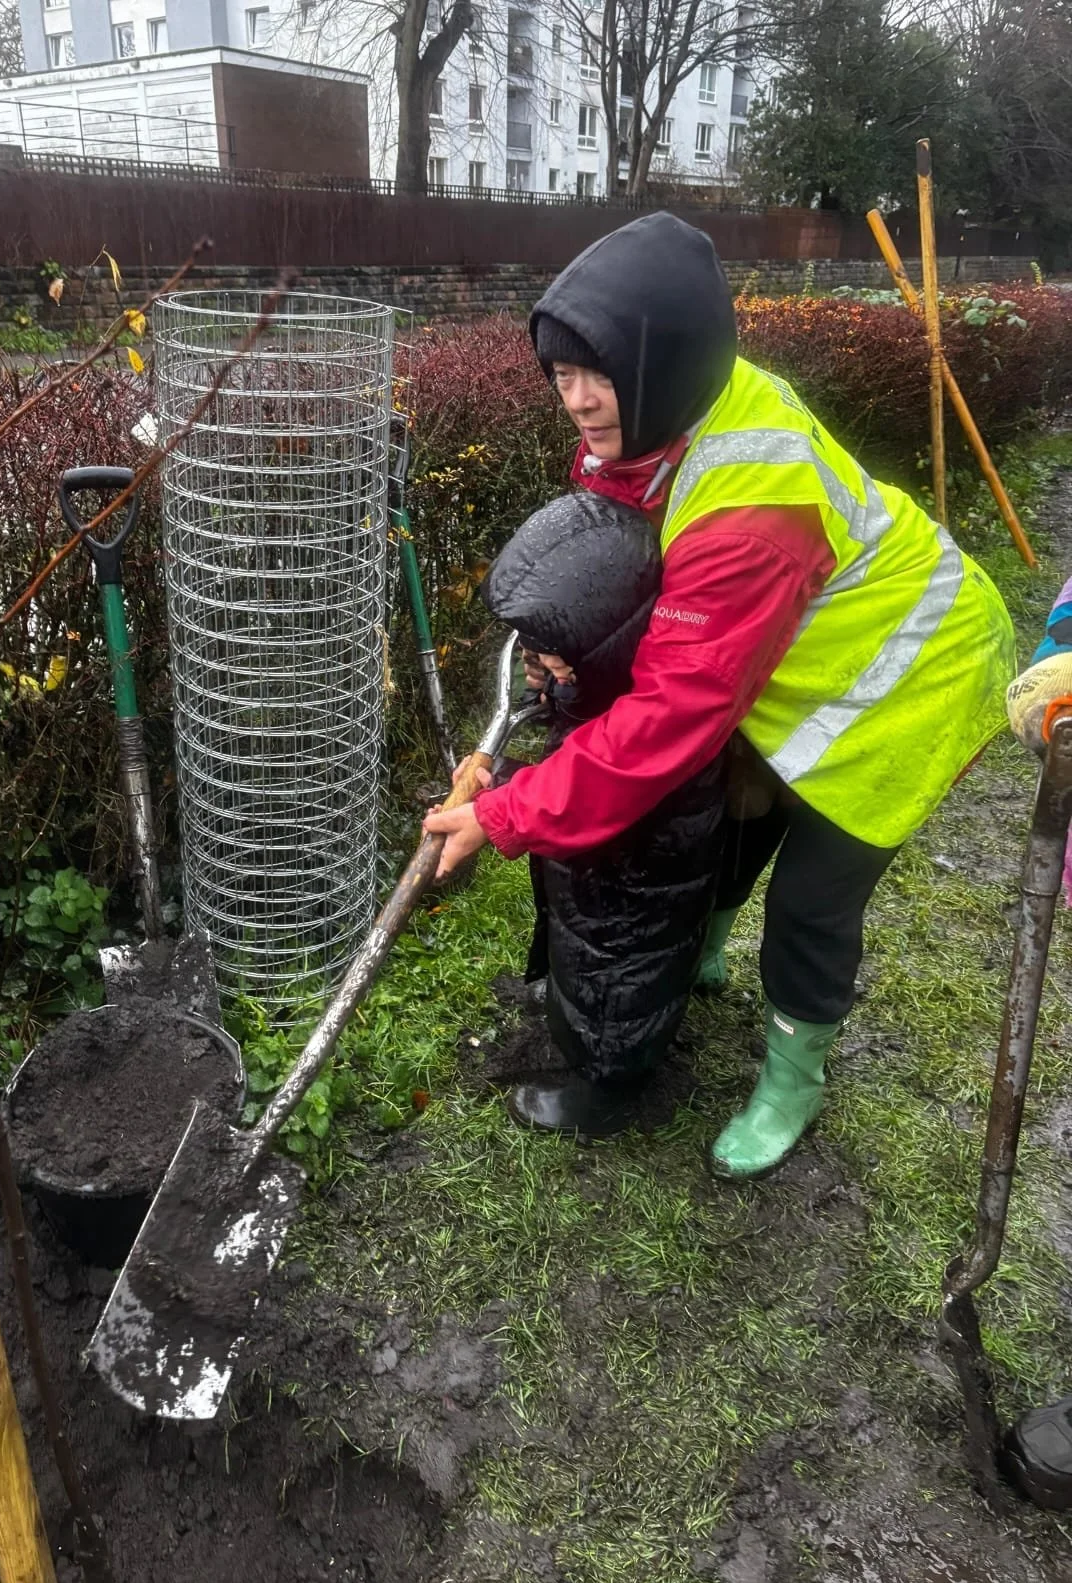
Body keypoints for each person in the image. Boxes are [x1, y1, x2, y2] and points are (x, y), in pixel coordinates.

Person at [424, 210, 1016, 1180]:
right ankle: (702, 954)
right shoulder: (680, 402)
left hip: (911, 675)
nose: (574, 400)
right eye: (559, 374)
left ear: (662, 358)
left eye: (595, 374)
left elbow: (665, 726)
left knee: (812, 902)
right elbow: (623, 523)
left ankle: (793, 1079)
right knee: (737, 823)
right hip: (801, 653)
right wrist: (564, 645)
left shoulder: (751, 517)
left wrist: (505, 814)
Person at [477, 492, 725, 1137]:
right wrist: (561, 687)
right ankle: (577, 1015)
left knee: (619, 964)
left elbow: (606, 779)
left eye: (555, 649)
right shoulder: (608, 679)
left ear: (616, 634)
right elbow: (583, 727)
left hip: (639, 875)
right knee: (587, 939)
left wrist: (501, 809)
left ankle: (609, 1087)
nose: (540, 661)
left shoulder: (654, 729)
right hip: (597, 870)